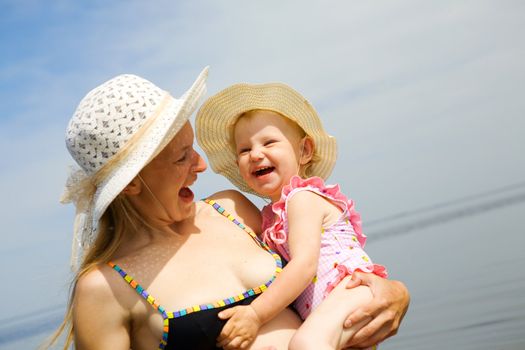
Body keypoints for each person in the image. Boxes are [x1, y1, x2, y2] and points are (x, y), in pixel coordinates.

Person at [49, 68, 409, 350]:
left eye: (194, 148)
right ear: (130, 182)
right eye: (181, 157)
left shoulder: (232, 209)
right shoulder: (104, 289)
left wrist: (393, 292)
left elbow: (320, 271)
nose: (201, 165)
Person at [196, 82, 395, 350]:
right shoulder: (269, 217)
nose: (255, 154)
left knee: (305, 343)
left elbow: (303, 266)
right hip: (330, 305)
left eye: (269, 142)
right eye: (244, 150)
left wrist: (255, 314)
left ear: (304, 151)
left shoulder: (303, 199)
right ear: (237, 165)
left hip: (349, 289)